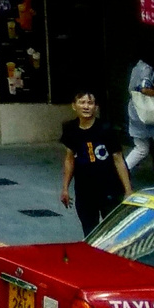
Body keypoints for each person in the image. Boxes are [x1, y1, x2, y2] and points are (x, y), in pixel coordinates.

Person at [58, 91, 132, 238]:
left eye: (90, 103)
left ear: (96, 107)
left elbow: (118, 159)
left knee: (113, 231)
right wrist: (65, 188)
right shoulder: (70, 129)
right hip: (84, 191)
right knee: (90, 233)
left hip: (109, 189)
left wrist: (128, 190)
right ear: (74, 106)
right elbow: (69, 159)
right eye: (82, 102)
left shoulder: (106, 129)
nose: (86, 106)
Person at [123, 60, 154, 182]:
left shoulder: (135, 68)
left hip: (135, 112)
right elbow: (144, 89)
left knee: (141, 148)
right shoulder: (147, 68)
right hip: (149, 115)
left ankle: (120, 174)